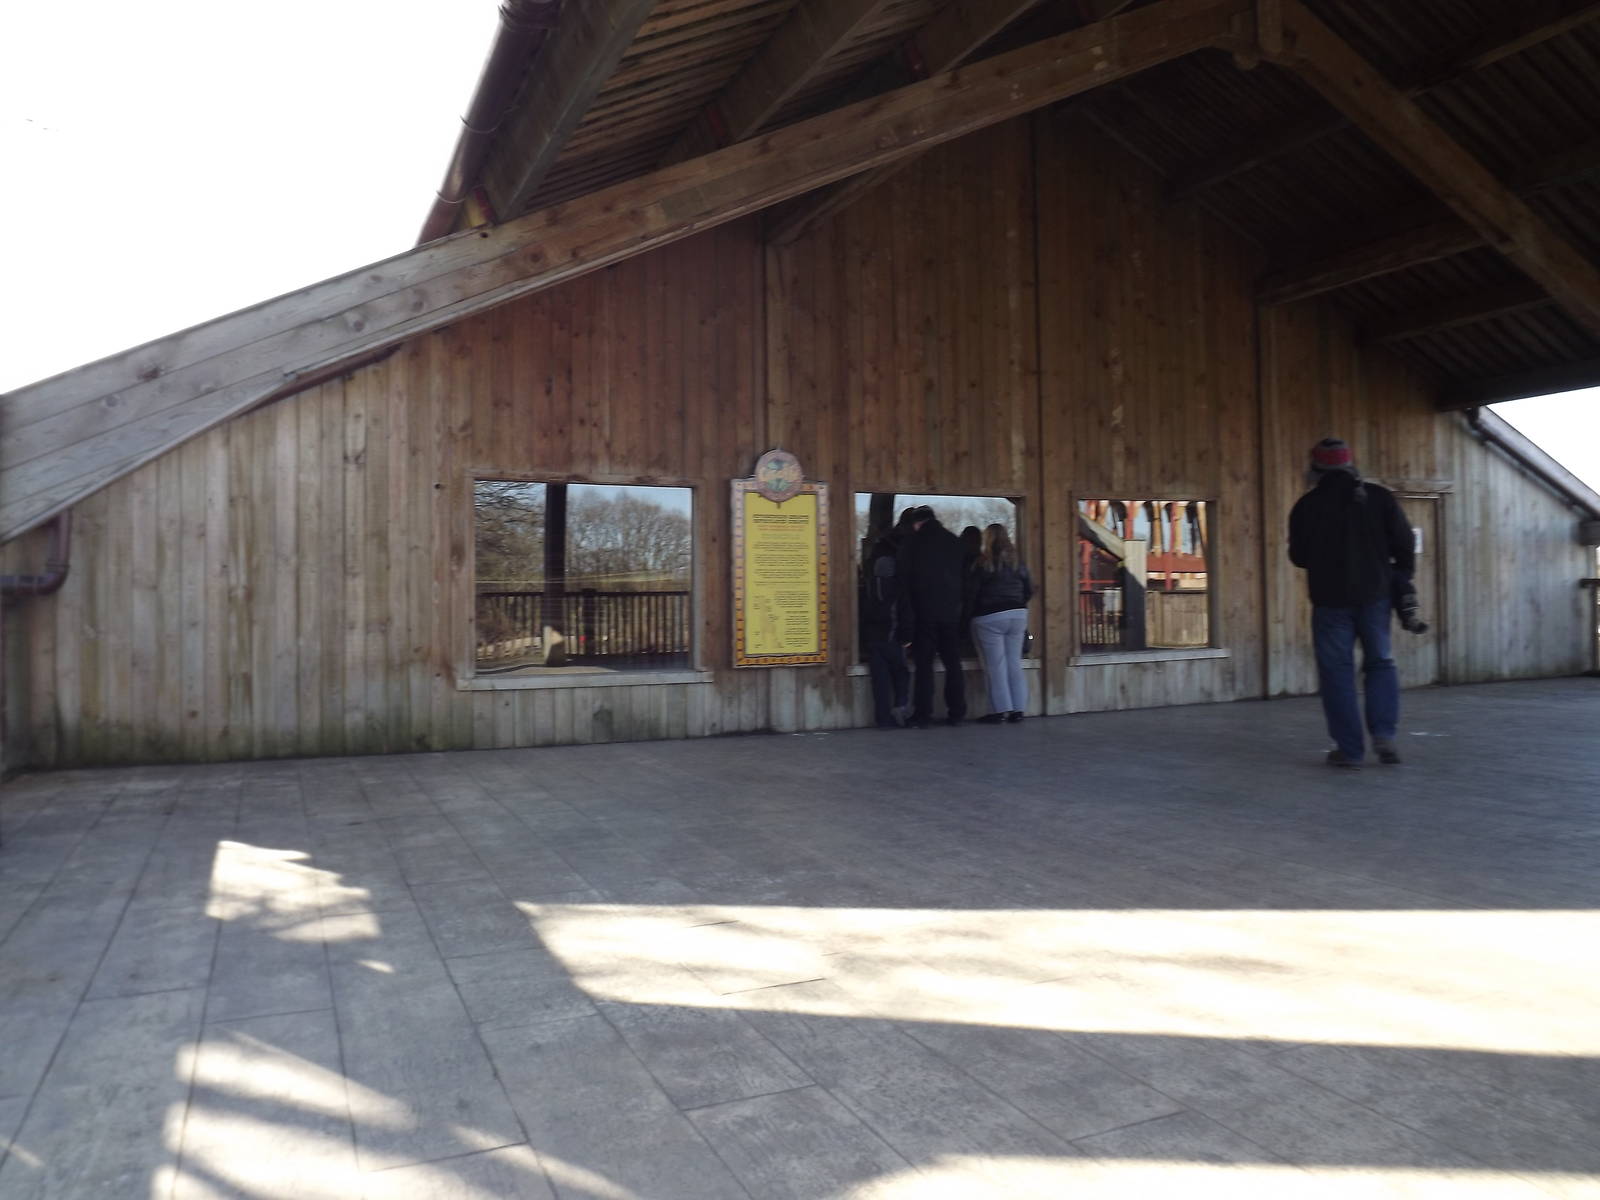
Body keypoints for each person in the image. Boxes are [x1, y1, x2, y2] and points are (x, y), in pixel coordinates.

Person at [1289, 438, 1415, 768]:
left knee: (1337, 675)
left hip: (1330, 602)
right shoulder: (1379, 498)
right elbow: (1404, 541)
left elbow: (1298, 557)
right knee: (1381, 663)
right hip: (1375, 597)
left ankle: (1350, 750)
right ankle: (1384, 735)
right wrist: (1399, 577)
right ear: (1350, 464)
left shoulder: (1307, 506)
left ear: (1315, 469)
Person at [896, 505, 969, 728]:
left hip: (923, 613)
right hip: (950, 613)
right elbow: (965, 581)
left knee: (924, 665)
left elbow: (904, 585)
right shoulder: (955, 542)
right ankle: (956, 711)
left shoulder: (912, 544)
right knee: (952, 663)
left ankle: (923, 713)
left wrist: (906, 622)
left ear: (917, 523)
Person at [968, 523, 1032, 724]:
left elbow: (972, 593)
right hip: (1017, 613)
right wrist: (1018, 603)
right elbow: (1029, 588)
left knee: (995, 666)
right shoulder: (1018, 563)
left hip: (990, 617)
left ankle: (999, 711)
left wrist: (968, 615)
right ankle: (1018, 710)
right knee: (1014, 663)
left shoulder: (982, 563)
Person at [859, 513, 912, 728]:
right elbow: (906, 614)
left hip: (873, 642)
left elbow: (863, 616)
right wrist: (907, 638)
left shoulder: (869, 590)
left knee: (879, 681)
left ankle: (883, 718)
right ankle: (900, 704)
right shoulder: (899, 589)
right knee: (901, 673)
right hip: (893, 639)